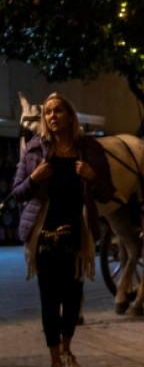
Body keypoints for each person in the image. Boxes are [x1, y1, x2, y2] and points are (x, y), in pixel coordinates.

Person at [13, 93, 115, 367]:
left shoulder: (90, 150)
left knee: (72, 298)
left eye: (58, 111)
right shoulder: (35, 149)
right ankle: (55, 358)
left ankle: (68, 348)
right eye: (47, 112)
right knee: (49, 299)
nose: (52, 117)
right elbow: (18, 193)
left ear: (71, 116)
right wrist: (33, 179)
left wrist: (92, 178)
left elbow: (107, 193)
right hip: (44, 237)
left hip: (76, 236)